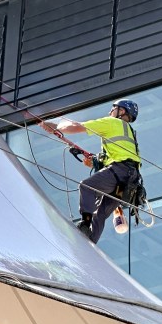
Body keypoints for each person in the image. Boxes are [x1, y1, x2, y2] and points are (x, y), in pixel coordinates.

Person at [54, 99, 141, 243]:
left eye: (113, 109)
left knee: (86, 186)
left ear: (122, 111)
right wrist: (96, 162)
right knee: (100, 212)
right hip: (126, 183)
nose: (110, 112)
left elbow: (75, 127)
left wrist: (58, 125)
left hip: (119, 172)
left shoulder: (112, 122)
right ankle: (91, 241)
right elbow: (122, 157)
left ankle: (85, 223)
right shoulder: (131, 133)